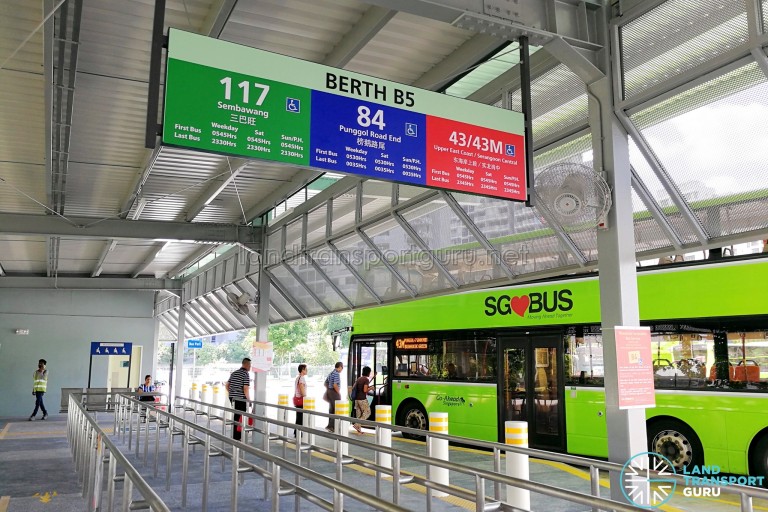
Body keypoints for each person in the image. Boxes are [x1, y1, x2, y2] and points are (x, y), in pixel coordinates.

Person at [225, 357, 251, 441]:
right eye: (250, 365)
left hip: (233, 397)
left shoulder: (234, 373)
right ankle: (239, 436)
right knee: (242, 417)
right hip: (241, 398)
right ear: (246, 364)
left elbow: (227, 385)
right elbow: (245, 388)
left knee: (236, 416)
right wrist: (249, 400)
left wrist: (232, 393)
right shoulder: (245, 374)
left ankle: (236, 436)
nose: (250, 367)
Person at [352, 366, 373, 434]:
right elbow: (365, 390)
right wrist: (371, 388)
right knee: (367, 412)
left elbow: (354, 387)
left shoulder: (359, 379)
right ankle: (357, 424)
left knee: (359, 414)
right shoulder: (366, 380)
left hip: (356, 399)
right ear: (368, 372)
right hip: (362, 399)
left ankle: (359, 430)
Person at [325, 361, 343, 432]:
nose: (341, 370)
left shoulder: (331, 373)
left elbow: (325, 383)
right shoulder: (336, 374)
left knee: (331, 409)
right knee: (336, 409)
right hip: (334, 393)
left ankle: (331, 426)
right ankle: (330, 426)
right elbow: (335, 385)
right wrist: (338, 393)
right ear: (340, 367)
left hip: (330, 392)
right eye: (342, 368)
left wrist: (329, 389)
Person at [293, 364, 307, 437]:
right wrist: (305, 396)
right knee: (300, 417)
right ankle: (298, 432)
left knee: (298, 416)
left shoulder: (298, 377)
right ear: (302, 370)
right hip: (301, 400)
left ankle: (296, 431)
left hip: (297, 399)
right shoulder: (301, 378)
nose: (306, 370)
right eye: (305, 369)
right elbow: (301, 388)